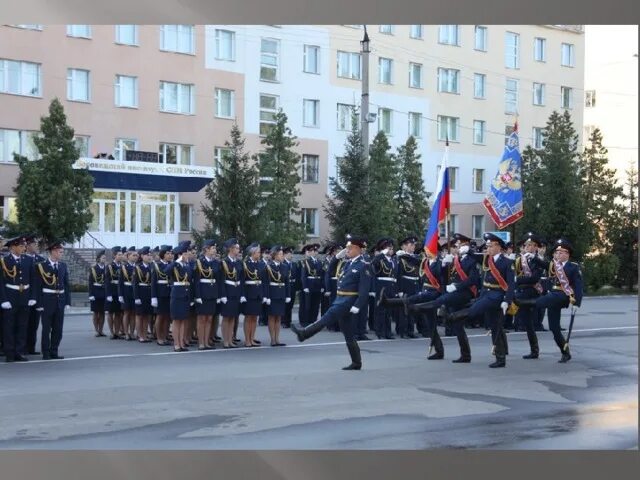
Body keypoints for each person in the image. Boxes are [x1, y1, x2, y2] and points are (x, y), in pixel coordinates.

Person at [291, 236, 371, 370]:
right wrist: (336, 258)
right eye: (346, 249)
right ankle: (357, 362)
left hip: (348, 301)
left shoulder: (363, 265)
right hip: (340, 299)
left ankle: (304, 333)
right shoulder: (347, 263)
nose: (347, 251)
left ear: (357, 249)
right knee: (348, 333)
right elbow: (330, 271)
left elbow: (364, 289)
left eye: (349, 248)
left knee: (326, 317)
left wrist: (358, 305)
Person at [445, 233, 516, 368]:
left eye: (490, 246)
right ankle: (500, 357)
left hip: (497, 296)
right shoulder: (486, 260)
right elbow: (473, 256)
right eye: (487, 245)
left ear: (498, 247)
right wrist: (466, 251)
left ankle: (454, 316)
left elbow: (511, 284)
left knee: (476, 309)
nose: (487, 248)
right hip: (486, 294)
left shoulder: (507, 262)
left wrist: (507, 300)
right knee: (495, 326)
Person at [407, 233, 478, 363]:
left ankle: (465, 354)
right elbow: (445, 279)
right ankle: (460, 354)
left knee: (455, 323)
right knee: (455, 326)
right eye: (456, 245)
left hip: (459, 294)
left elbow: (474, 279)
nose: (456, 248)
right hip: (450, 294)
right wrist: (446, 266)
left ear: (465, 245)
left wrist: (456, 286)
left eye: (458, 245)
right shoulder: (453, 260)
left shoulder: (471, 260)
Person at [379, 242, 445, 359]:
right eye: (426, 250)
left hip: (434, 294)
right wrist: (402, 255)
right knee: (431, 325)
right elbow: (414, 261)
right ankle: (439, 351)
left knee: (414, 301)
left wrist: (443, 299)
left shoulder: (440, 265)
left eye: (429, 250)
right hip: (426, 292)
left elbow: (443, 282)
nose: (426, 252)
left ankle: (388, 302)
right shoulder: (425, 262)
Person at [531, 238, 583, 363]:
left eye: (560, 252)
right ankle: (565, 351)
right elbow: (540, 263)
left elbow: (579, 287)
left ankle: (529, 303)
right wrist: (533, 256)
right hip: (553, 297)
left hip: (563, 296)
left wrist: (576, 303)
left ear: (567, 254)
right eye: (556, 253)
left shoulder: (573, 267)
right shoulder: (553, 265)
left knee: (544, 300)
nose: (557, 255)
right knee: (554, 329)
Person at [0, 236, 35, 362]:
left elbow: (33, 280)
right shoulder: (4, 261)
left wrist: (32, 297)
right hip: (10, 296)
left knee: (22, 325)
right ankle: (9, 353)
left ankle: (19, 352)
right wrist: (3, 299)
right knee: (9, 326)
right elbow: (1, 282)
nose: (23, 248)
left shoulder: (28, 260)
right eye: (21, 246)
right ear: (13, 247)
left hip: (24, 295)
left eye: (24, 246)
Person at [33, 240, 71, 360]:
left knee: (58, 328)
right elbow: (37, 286)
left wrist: (67, 302)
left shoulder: (63, 265)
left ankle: (54, 351)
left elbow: (66, 285)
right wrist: (39, 303)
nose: (61, 254)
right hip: (47, 300)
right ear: (53, 252)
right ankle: (46, 352)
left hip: (60, 300)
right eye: (60, 252)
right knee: (46, 329)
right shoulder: (41, 266)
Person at [513, 232, 545, 359]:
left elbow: (534, 278)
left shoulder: (538, 260)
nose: (529, 247)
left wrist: (517, 279)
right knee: (525, 323)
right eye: (527, 245)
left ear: (536, 247)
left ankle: (534, 350)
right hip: (520, 293)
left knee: (530, 323)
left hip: (532, 293)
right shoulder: (519, 259)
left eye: (532, 245)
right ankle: (502, 347)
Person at [193, 239, 221, 350]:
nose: (214, 250)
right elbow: (197, 281)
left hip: (212, 293)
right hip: (203, 293)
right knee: (201, 318)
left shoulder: (215, 262)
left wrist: (218, 295)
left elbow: (217, 280)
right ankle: (201, 342)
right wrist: (198, 296)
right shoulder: (199, 262)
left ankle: (206, 341)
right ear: (206, 249)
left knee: (209, 318)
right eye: (213, 248)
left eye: (215, 248)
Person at [165, 244, 193, 352]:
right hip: (177, 295)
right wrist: (176, 261)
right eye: (185, 254)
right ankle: (176, 344)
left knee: (183, 320)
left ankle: (181, 343)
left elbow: (190, 278)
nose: (187, 255)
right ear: (180, 255)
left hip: (185, 295)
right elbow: (166, 271)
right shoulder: (175, 265)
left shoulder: (186, 266)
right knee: (177, 321)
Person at [395, 235, 421, 339]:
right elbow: (398, 275)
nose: (413, 247)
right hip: (405, 285)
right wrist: (400, 289)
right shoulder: (400, 258)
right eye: (411, 245)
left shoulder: (415, 258)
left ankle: (410, 330)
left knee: (412, 309)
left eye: (414, 245)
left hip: (414, 285)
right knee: (404, 310)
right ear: (404, 246)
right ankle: (403, 331)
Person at [371, 238, 398, 339]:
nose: (390, 250)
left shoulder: (394, 260)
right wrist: (381, 254)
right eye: (388, 248)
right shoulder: (380, 259)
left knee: (389, 311)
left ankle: (388, 332)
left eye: (391, 249)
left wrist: (396, 289)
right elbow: (373, 264)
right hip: (381, 286)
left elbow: (395, 276)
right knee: (380, 310)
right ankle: (379, 331)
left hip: (391, 286)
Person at [264, 245, 290, 346]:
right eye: (280, 254)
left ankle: (277, 339)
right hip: (272, 294)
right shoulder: (269, 266)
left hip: (281, 294)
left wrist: (288, 295)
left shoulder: (284, 266)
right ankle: (272, 339)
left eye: (282, 254)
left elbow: (287, 282)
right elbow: (266, 283)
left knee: (278, 317)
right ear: (274, 255)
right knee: (271, 317)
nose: (282, 256)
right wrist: (267, 296)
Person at [219, 238, 243, 348]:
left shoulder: (238, 262)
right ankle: (225, 340)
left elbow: (240, 279)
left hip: (236, 292)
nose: (238, 250)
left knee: (233, 317)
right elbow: (221, 280)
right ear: (231, 249)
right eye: (236, 248)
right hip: (227, 292)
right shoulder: (224, 262)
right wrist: (223, 295)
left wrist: (241, 294)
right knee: (226, 318)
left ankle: (230, 339)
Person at [24, 234, 45, 353]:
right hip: (24, 295)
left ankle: (31, 347)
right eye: (33, 244)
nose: (36, 246)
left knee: (34, 323)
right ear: (27, 246)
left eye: (36, 244)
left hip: (37, 296)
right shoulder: (22, 258)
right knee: (23, 323)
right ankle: (21, 347)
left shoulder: (41, 260)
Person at [241, 242, 265, 347]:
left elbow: (263, 280)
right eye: (258, 252)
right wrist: (242, 295)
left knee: (255, 318)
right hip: (249, 293)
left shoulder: (261, 264)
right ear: (253, 253)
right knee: (248, 317)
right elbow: (242, 281)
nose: (259, 254)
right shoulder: (246, 264)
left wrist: (263, 294)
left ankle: (252, 338)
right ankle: (247, 340)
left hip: (258, 293)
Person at [151, 245, 173, 346]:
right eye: (168, 253)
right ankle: (159, 337)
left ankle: (165, 336)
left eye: (171, 253)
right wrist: (154, 297)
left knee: (167, 317)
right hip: (160, 294)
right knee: (160, 317)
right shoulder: (156, 266)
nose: (170, 255)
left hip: (170, 293)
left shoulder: (171, 265)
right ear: (163, 255)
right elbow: (154, 283)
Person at [300, 243, 324, 327]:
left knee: (316, 304)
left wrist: (322, 286)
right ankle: (306, 321)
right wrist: (305, 286)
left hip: (317, 285)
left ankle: (313, 320)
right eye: (313, 250)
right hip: (309, 284)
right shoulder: (305, 262)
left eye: (316, 251)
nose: (315, 252)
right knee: (307, 304)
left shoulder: (319, 262)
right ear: (310, 252)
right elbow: (303, 275)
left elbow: (322, 275)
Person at [133, 247, 153, 343]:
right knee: (139, 315)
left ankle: (145, 335)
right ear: (142, 256)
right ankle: (140, 335)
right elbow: (135, 283)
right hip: (140, 292)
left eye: (149, 255)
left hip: (148, 293)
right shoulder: (137, 268)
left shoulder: (151, 267)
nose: (149, 257)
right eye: (147, 255)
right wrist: (136, 297)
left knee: (146, 316)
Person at [119, 246, 138, 340]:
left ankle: (132, 332)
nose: (136, 257)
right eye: (133, 255)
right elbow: (120, 282)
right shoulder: (124, 267)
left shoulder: (138, 267)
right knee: (126, 313)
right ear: (128, 256)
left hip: (135, 292)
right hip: (126, 291)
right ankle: (126, 333)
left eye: (136, 255)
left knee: (134, 313)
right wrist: (120, 295)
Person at [105, 246, 124, 339]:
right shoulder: (109, 266)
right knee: (110, 313)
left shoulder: (123, 266)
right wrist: (108, 294)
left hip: (119, 292)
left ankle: (117, 332)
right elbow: (107, 281)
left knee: (118, 313)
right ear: (114, 255)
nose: (121, 256)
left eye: (121, 254)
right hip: (112, 291)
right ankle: (112, 332)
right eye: (119, 255)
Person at [88, 249, 107, 337]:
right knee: (96, 312)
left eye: (105, 258)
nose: (104, 259)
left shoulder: (107, 268)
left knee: (102, 312)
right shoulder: (94, 269)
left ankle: (101, 330)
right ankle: (96, 330)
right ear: (98, 259)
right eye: (103, 258)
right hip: (95, 292)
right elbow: (90, 282)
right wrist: (91, 294)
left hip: (104, 292)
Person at [282, 246, 296, 328]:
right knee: (285, 304)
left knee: (291, 303)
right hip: (285, 286)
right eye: (290, 254)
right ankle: (284, 321)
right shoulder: (283, 263)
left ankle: (289, 320)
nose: (292, 255)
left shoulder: (293, 264)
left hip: (292, 285)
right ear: (285, 254)